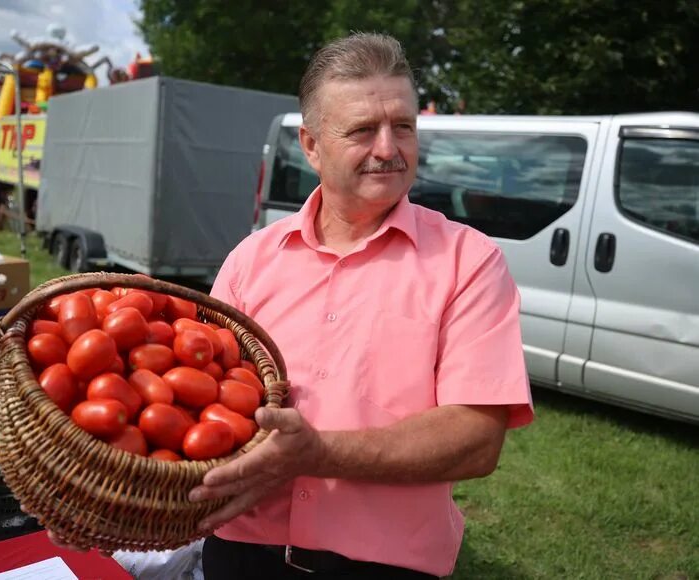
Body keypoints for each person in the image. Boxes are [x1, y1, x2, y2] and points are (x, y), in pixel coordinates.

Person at [189, 33, 534, 579]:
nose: (388, 148)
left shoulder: (469, 261)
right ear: (310, 145)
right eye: (361, 130)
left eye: (403, 126)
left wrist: (317, 452)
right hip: (240, 553)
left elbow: (475, 440)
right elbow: (193, 391)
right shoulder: (251, 260)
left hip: (383, 569)